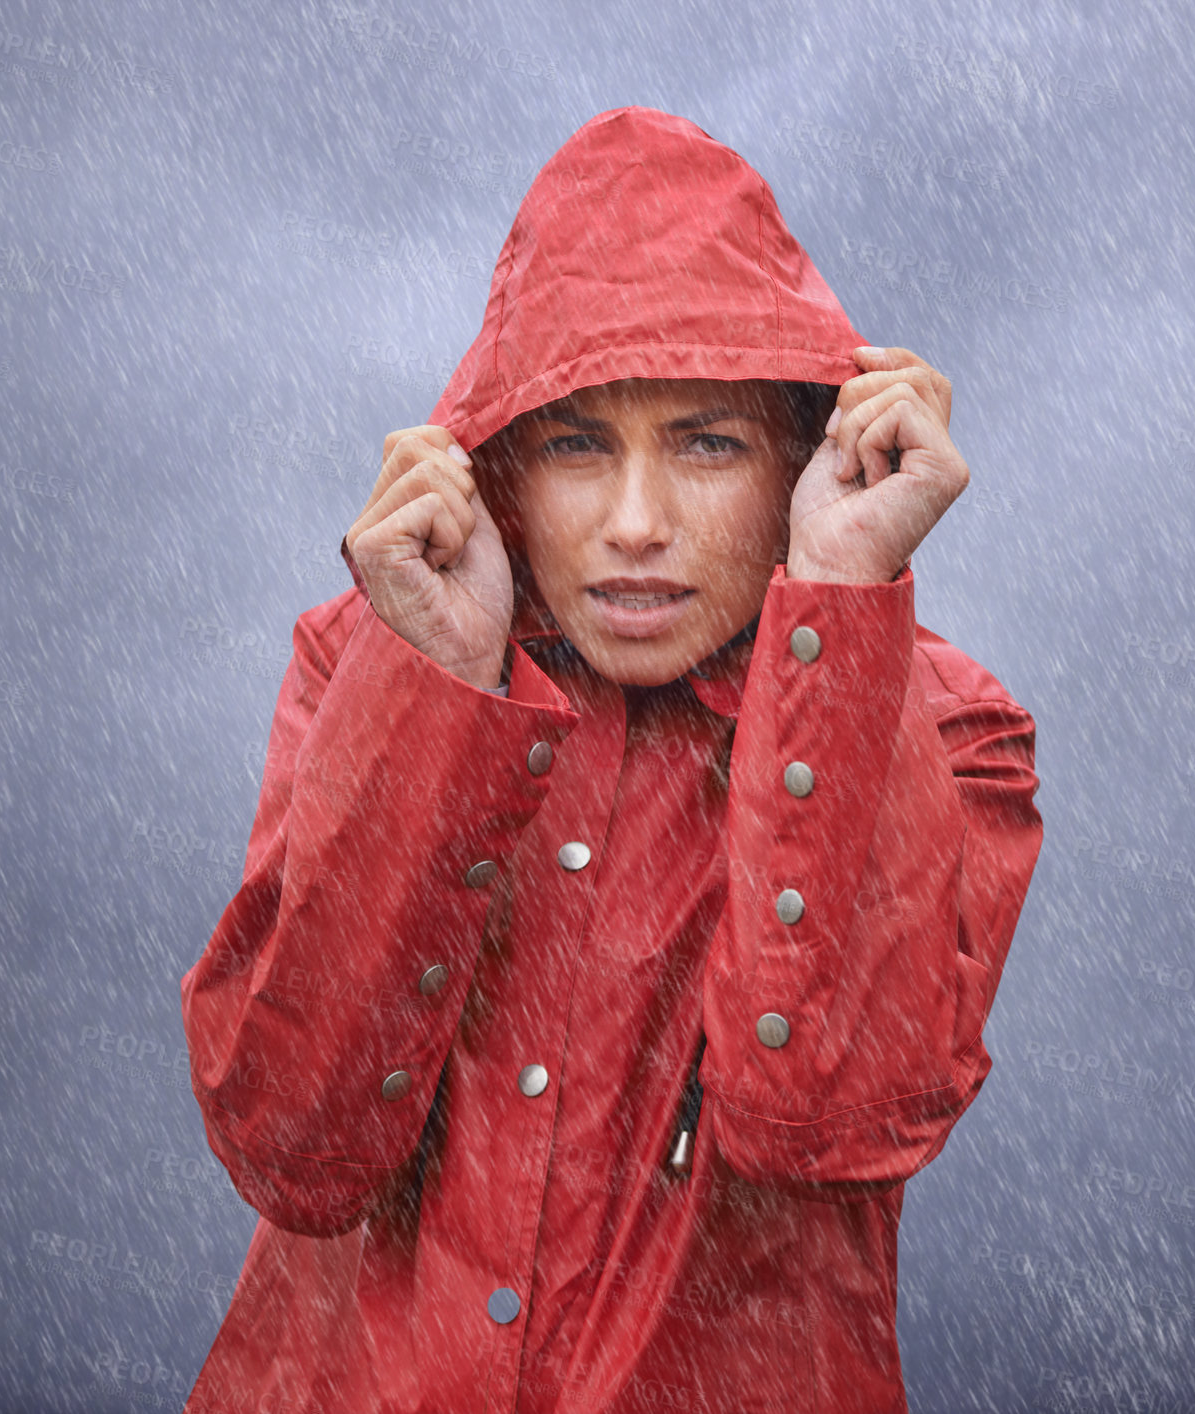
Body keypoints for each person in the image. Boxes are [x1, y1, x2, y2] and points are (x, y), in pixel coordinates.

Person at [179, 105, 1043, 1414]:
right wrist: (435, 692)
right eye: (579, 444)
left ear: (802, 456)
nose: (635, 525)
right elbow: (294, 1140)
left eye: (706, 443)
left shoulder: (947, 727)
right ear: (502, 466)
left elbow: (839, 1114)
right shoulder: (365, 662)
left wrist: (844, 596)